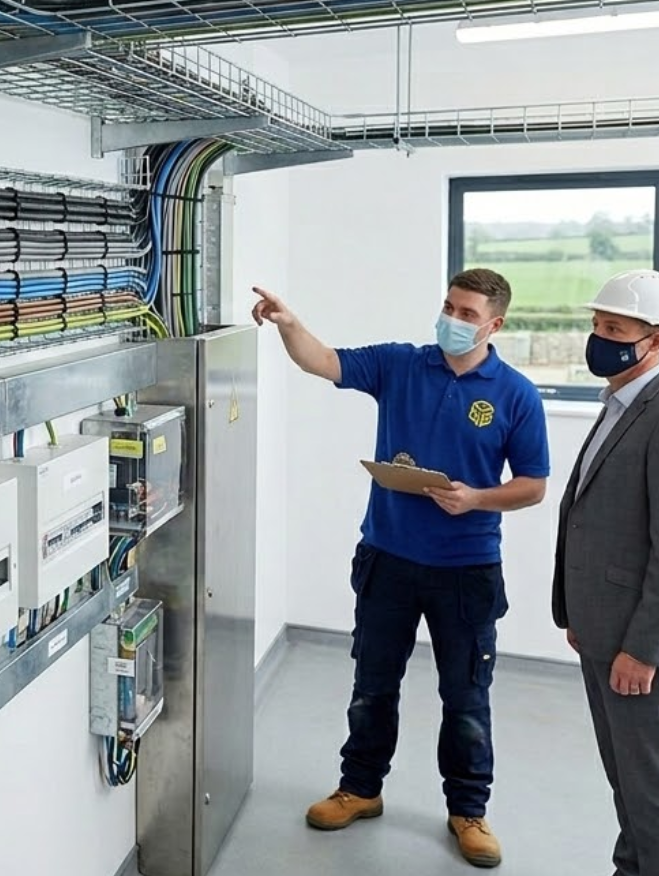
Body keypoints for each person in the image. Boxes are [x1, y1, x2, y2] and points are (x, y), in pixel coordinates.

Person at [252, 269, 549, 869]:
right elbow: (322, 361)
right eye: (449, 307)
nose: (452, 320)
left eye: (467, 314)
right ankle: (360, 789)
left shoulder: (516, 394)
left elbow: (533, 485)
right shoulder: (400, 365)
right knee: (372, 685)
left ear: (494, 325)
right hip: (387, 558)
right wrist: (289, 324)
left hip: (466, 569)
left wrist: (476, 498)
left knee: (465, 697)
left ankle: (468, 810)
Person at [553, 269, 659, 876]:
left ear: (656, 341)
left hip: (642, 646)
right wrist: (578, 613)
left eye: (615, 329)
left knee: (657, 793)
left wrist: (643, 650)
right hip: (606, 630)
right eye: (597, 325)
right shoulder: (620, 404)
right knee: (627, 780)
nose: (600, 338)